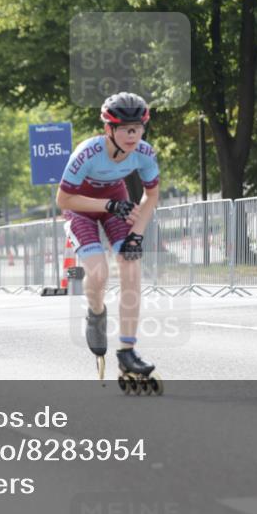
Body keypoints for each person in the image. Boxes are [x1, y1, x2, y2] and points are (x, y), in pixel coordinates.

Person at [56, 92, 162, 394]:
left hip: (116, 201)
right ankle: (96, 312)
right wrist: (108, 207)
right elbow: (63, 199)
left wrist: (137, 234)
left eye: (137, 128)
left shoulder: (144, 152)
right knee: (99, 273)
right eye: (125, 129)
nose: (132, 135)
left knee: (131, 267)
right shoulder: (87, 154)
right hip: (80, 208)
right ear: (108, 130)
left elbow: (151, 195)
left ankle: (127, 351)